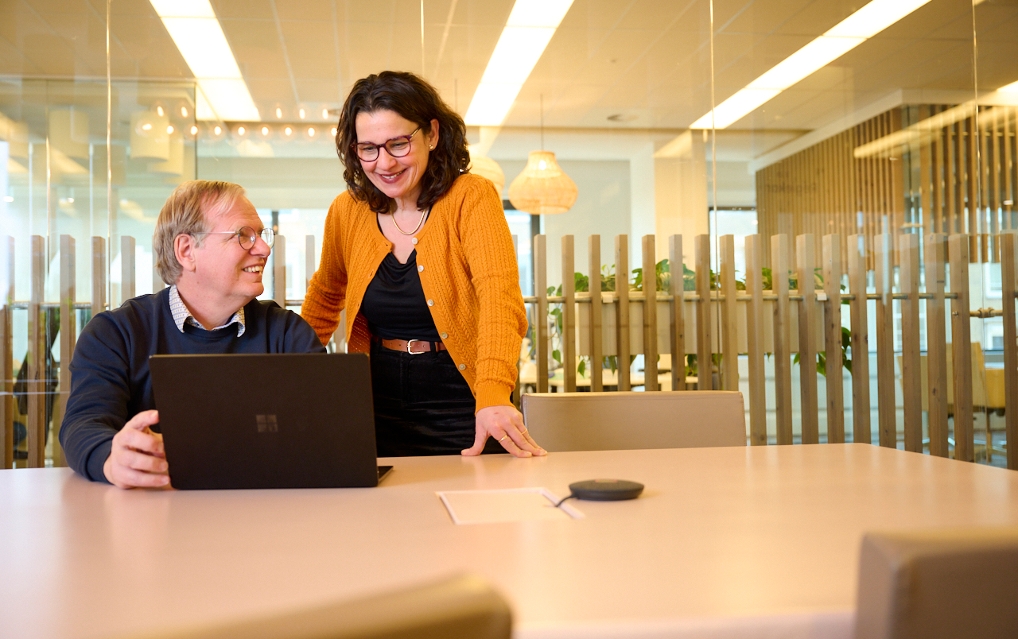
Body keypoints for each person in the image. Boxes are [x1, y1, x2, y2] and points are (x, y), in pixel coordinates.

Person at [301, 71, 545, 459]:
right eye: (368, 148)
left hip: (463, 399)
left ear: (431, 134)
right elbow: (325, 296)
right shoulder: (346, 211)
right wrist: (285, 378)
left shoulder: (471, 197)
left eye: (398, 144)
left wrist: (494, 391)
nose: (384, 163)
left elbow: (499, 297)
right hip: (374, 401)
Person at [60, 180, 325, 488]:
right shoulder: (116, 334)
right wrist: (111, 458)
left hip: (265, 516)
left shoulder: (287, 333)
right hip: (154, 519)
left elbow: (326, 432)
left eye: (262, 235)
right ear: (187, 251)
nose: (264, 249)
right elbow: (83, 424)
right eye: (243, 235)